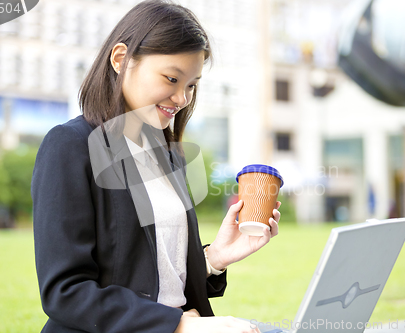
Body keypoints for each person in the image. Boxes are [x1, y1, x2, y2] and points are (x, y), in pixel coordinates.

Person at [31, 1, 281, 332]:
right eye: (172, 78)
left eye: (191, 84)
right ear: (121, 59)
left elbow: (155, 277)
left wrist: (214, 259)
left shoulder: (168, 156)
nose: (182, 99)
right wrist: (180, 325)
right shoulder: (70, 146)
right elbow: (66, 293)